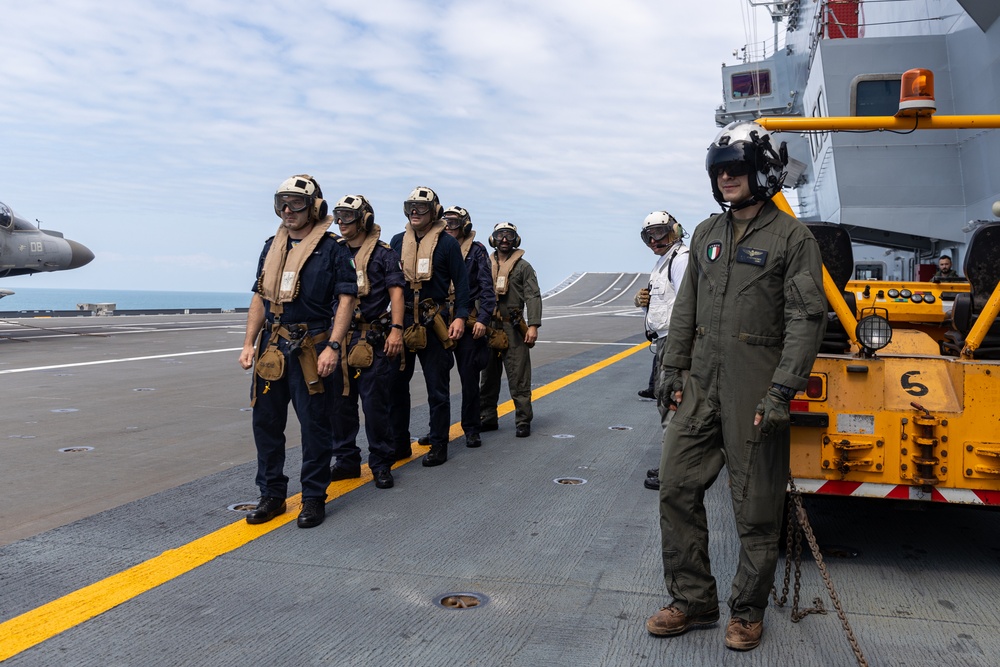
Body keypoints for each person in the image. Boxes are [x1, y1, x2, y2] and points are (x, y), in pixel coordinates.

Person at [646, 121, 826, 651]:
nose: (726, 177)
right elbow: (685, 312)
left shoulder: (793, 238)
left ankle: (747, 611)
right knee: (676, 489)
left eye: (736, 168)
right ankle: (693, 601)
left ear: (760, 171)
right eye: (719, 170)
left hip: (756, 387)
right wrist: (673, 372)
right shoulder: (705, 235)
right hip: (700, 386)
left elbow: (805, 320)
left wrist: (780, 393)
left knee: (756, 509)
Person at [239, 175, 357, 529]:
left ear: (315, 206)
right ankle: (272, 495)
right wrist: (248, 343)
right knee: (266, 424)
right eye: (282, 203)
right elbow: (260, 296)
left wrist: (334, 346)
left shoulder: (333, 248)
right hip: (273, 348)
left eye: (296, 203)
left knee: (315, 427)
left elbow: (347, 299)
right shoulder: (271, 246)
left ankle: (312, 498)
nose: (287, 210)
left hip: (313, 347)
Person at [388, 186, 470, 467]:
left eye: (421, 207)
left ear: (434, 212)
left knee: (438, 388)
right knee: (396, 386)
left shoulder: (447, 244)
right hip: (403, 321)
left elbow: (462, 285)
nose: (414, 211)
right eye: (410, 206)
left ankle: (439, 444)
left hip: (434, 322)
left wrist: (459, 317)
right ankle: (399, 444)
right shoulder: (397, 241)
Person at [327, 195, 405, 490]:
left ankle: (381, 463)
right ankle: (346, 461)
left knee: (375, 406)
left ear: (364, 220)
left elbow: (397, 293)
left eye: (348, 217)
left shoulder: (384, 254)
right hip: (339, 339)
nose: (341, 223)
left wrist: (396, 330)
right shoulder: (333, 252)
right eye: (338, 216)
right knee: (339, 404)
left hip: (372, 339)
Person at [417, 206, 496, 448]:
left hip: (467, 321)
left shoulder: (477, 250)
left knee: (469, 379)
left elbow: (487, 288)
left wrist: (482, 319)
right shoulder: (433, 247)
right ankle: (437, 430)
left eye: (454, 222)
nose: (449, 226)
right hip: (439, 320)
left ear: (465, 226)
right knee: (437, 380)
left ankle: (471, 429)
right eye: (445, 221)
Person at [634, 211, 688, 491]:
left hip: (674, 342)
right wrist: (643, 302)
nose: (655, 240)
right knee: (665, 403)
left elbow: (688, 307)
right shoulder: (663, 262)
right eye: (649, 235)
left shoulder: (680, 260)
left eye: (660, 233)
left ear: (674, 231)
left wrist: (679, 352)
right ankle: (672, 464)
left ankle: (672, 473)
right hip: (663, 343)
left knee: (671, 406)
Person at [479, 222, 542, 438]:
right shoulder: (484, 264)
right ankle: (487, 417)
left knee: (519, 376)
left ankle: (523, 420)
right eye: (499, 235)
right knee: (487, 375)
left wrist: (532, 325)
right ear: (493, 239)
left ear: (515, 239)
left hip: (513, 326)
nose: (504, 239)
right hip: (488, 327)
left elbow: (533, 295)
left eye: (509, 235)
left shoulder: (523, 267)